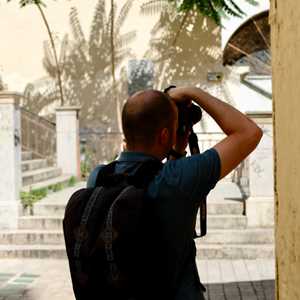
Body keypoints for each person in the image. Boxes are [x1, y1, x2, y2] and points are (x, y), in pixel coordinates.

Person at [88, 86, 263, 299]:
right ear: (164, 135)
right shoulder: (179, 178)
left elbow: (146, 183)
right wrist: (191, 92)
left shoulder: (99, 177)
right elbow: (249, 132)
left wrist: (177, 149)